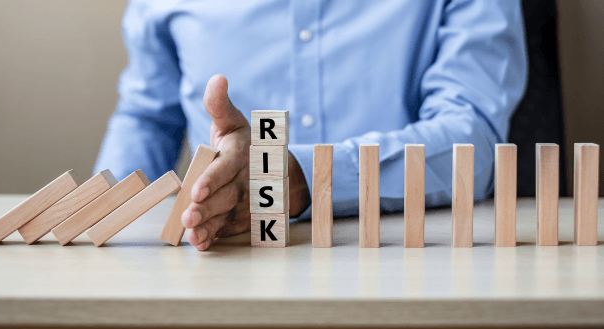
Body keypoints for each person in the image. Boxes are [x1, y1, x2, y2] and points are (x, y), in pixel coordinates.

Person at [94, 0, 527, 251]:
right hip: (220, 269)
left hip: (409, 272)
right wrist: (100, 225)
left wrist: (300, 178)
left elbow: (475, 138)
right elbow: (148, 117)